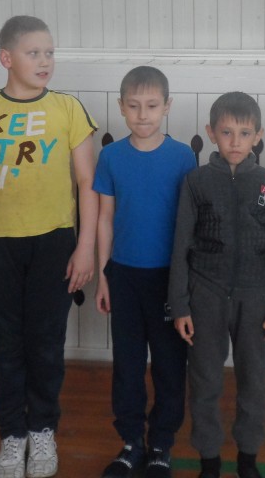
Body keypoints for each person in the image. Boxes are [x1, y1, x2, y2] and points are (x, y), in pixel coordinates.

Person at [0, 15, 98, 478]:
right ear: (6, 58)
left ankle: (42, 430)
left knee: (46, 343)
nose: (45, 61)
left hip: (55, 243)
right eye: (34, 53)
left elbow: (87, 183)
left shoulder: (69, 109)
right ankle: (12, 435)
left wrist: (85, 247)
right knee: (7, 343)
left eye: (49, 52)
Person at [168, 92, 265, 478]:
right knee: (204, 380)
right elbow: (181, 245)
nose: (235, 141)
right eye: (226, 132)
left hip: (255, 300)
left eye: (245, 133)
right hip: (205, 296)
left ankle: (247, 459)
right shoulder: (196, 182)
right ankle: (208, 459)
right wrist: (180, 305)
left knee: (253, 382)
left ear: (258, 136)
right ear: (211, 133)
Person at [94, 66, 196, 478]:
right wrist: (103, 275)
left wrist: (186, 285)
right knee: (128, 365)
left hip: (169, 280)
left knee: (170, 366)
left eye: (152, 106)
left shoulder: (183, 157)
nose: (142, 114)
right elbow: (104, 219)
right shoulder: (111, 156)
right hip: (124, 277)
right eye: (134, 106)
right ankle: (132, 442)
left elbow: (189, 223)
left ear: (167, 106)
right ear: (121, 107)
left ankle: (161, 446)